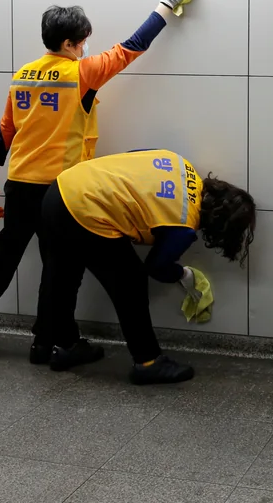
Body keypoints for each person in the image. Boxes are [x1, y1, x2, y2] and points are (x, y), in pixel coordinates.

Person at [0, 0, 198, 357]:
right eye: (83, 40)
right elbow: (132, 47)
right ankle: (46, 341)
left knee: (6, 253)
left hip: (19, 181)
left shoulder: (23, 76)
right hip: (58, 190)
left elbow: (7, 127)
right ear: (69, 43)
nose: (87, 47)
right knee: (56, 267)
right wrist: (166, 5)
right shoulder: (81, 73)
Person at [31, 149, 255, 383]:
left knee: (61, 276)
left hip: (62, 189)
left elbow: (131, 160)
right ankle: (148, 362)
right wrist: (183, 274)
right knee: (131, 282)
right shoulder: (184, 224)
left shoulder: (180, 163)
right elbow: (155, 267)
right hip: (86, 209)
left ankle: (54, 345)